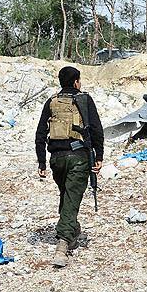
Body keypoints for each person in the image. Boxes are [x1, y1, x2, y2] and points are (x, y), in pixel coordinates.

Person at [35, 66, 104, 267]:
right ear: (76, 82)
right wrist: (99, 156)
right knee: (72, 198)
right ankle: (62, 246)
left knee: (67, 196)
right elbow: (97, 129)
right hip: (79, 157)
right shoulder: (84, 100)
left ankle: (72, 230)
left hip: (56, 159)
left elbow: (40, 134)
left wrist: (41, 161)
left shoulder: (52, 102)